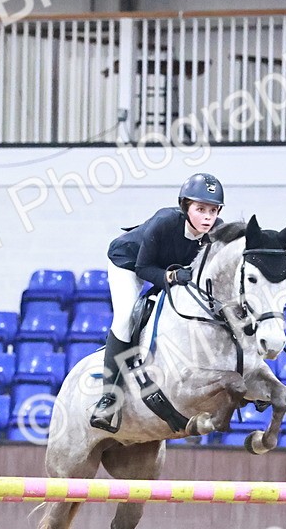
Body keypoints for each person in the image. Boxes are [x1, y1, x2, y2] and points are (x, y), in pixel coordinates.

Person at [90, 172, 225, 432]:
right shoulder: (165, 221)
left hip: (165, 267)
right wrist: (171, 276)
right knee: (126, 318)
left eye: (213, 210)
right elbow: (143, 268)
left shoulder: (217, 232)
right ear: (186, 207)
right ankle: (109, 398)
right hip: (129, 263)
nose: (208, 217)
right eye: (200, 209)